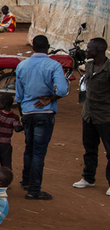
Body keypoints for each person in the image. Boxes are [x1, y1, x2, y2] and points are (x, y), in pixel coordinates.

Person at [15, 35, 68, 200]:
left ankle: (26, 180)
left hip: (28, 112)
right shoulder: (54, 65)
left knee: (29, 148)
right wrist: (49, 99)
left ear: (33, 47)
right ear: (48, 47)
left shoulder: (22, 66)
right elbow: (62, 90)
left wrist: (22, 115)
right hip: (44, 114)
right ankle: (34, 189)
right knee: (39, 152)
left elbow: (18, 96)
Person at [74, 38, 110, 193]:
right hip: (88, 115)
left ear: (99, 49)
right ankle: (88, 178)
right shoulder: (88, 66)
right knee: (89, 148)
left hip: (106, 117)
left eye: (89, 48)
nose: (86, 50)